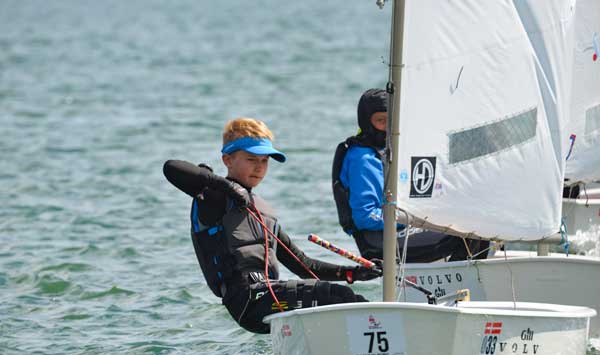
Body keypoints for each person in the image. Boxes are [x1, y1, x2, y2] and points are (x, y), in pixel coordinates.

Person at [164, 117, 382, 334]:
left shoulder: (263, 211)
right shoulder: (213, 197)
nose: (259, 168)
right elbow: (171, 168)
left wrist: (353, 273)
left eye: (264, 161)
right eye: (251, 159)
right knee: (340, 298)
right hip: (248, 300)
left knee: (346, 300)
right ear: (227, 160)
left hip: (270, 297)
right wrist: (228, 187)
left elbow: (303, 265)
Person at [332, 88, 489, 262]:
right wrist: (413, 219)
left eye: (391, 120)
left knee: (481, 222)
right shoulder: (362, 159)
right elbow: (365, 217)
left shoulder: (391, 150)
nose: (387, 127)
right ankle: (460, 283)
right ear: (366, 122)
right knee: (469, 232)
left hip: (403, 228)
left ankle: (465, 278)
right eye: (380, 121)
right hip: (378, 241)